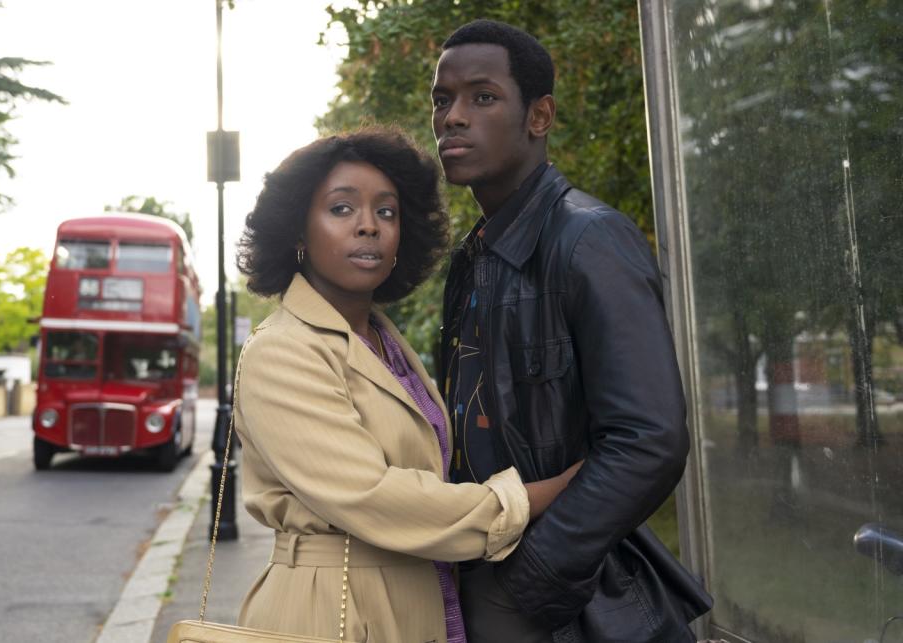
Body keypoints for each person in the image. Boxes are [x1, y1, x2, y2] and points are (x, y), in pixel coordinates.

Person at [232, 128, 582, 643]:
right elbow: (372, 495)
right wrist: (537, 495)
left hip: (413, 596)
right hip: (332, 611)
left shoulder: (384, 343)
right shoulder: (281, 349)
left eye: (387, 212)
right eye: (342, 209)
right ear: (299, 233)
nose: (368, 227)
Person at [431, 20, 712, 642]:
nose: (453, 117)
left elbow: (649, 440)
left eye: (482, 96)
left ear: (540, 116)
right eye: (442, 99)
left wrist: (527, 580)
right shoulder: (470, 261)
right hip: (480, 582)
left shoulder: (589, 239)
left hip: (562, 599)